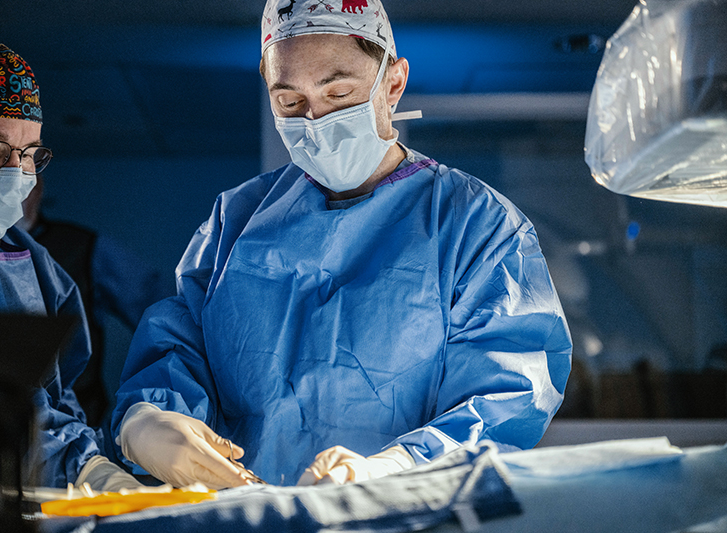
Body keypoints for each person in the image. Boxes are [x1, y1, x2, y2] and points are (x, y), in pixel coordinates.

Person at [112, 0, 573, 489]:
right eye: (290, 102)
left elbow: (504, 396)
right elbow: (179, 350)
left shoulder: (475, 225)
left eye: (339, 93)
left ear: (392, 84)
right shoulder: (238, 220)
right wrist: (147, 419)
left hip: (405, 513)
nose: (315, 120)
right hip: (251, 512)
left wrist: (394, 468)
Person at [0, 43, 140, 491]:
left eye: (29, 155)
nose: (15, 175)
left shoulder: (39, 270)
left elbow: (57, 406)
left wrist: (86, 465)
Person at [18, 173, 166, 426]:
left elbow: (163, 322)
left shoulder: (83, 248)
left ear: (38, 187)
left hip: (73, 422)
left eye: (20, 179)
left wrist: (155, 405)